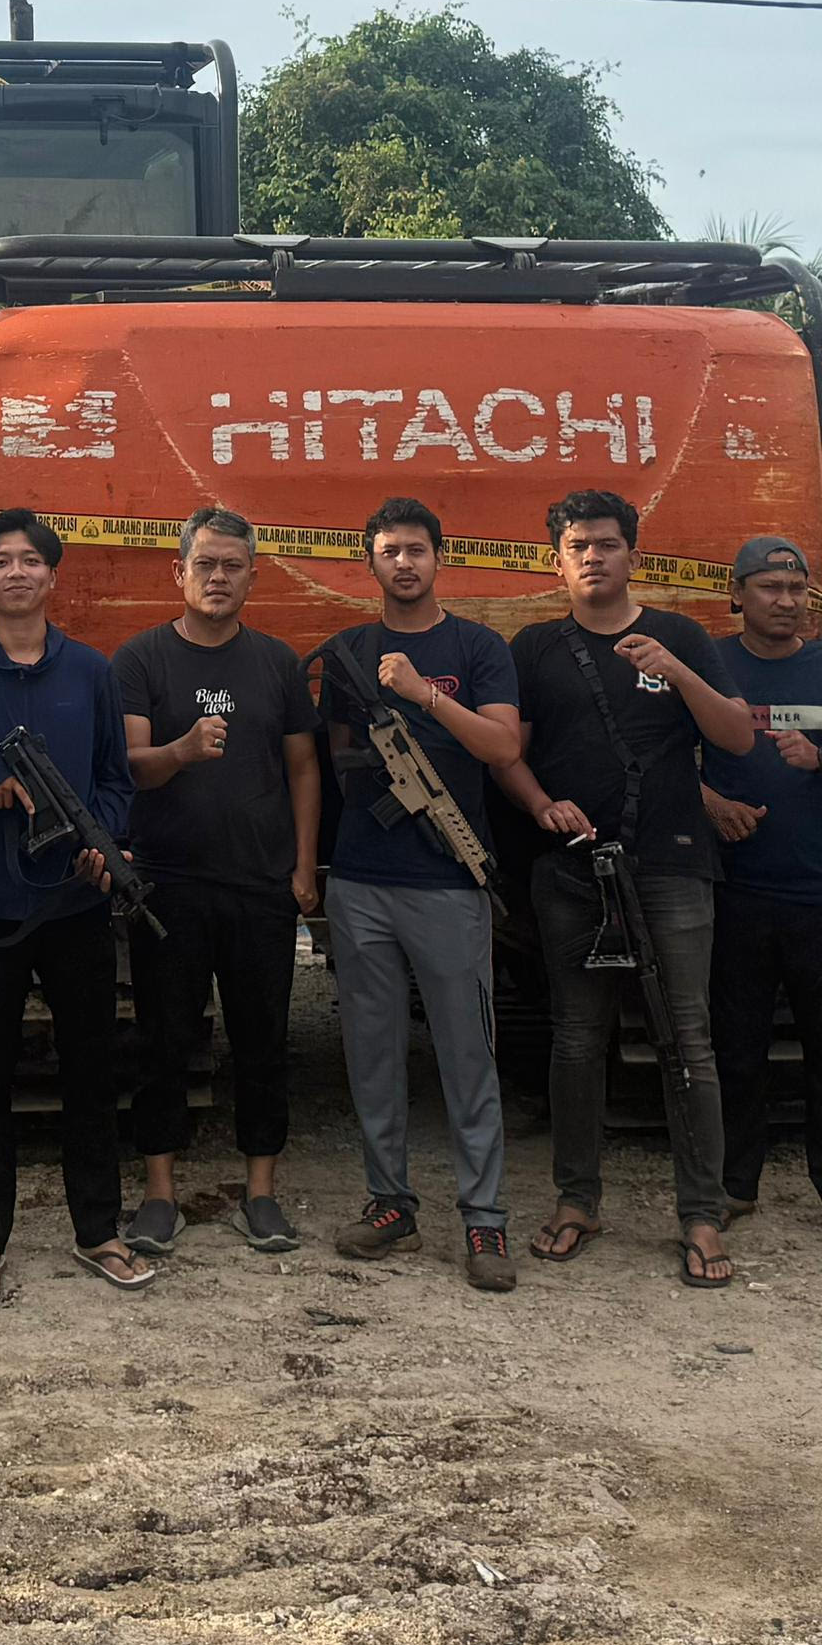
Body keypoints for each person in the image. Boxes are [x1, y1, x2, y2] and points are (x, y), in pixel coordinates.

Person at [494, 488, 753, 1286]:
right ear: (557, 559)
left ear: (632, 554)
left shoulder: (680, 638)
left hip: (671, 864)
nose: (593, 557)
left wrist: (675, 670)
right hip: (572, 871)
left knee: (688, 1037)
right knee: (576, 1040)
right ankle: (577, 1201)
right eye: (577, 545)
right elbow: (508, 751)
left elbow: (738, 736)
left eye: (607, 543)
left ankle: (703, 1214)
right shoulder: (534, 647)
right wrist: (540, 804)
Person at [0, 506, 156, 1300]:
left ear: (53, 576)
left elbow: (117, 781)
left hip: (75, 906)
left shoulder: (90, 671)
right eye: (1, 561)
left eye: (30, 561)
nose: (16, 573)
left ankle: (99, 1232)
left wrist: (100, 839)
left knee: (89, 1070)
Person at [312, 496, 528, 1289]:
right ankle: (389, 1203)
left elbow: (504, 744)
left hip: (446, 882)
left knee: (467, 1053)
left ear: (442, 557)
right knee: (371, 1053)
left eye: (417, 549)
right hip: (363, 882)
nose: (404, 562)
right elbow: (334, 763)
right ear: (369, 562)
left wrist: (422, 694)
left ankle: (485, 1222)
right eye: (390, 550)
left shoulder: (476, 647)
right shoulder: (346, 652)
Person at [114, 507, 319, 1259]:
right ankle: (159, 1194)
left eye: (234, 566)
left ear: (253, 577)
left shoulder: (276, 662)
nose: (219, 577)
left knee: (263, 1041)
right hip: (166, 882)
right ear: (180, 572)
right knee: (164, 1041)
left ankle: (260, 1193)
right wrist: (182, 750)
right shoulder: (140, 660)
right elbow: (130, 764)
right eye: (206, 564)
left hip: (259, 883)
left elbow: (303, 767)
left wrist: (302, 866)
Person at [695, 533, 822, 1249]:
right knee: (735, 1048)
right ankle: (736, 1184)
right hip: (733, 890)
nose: (787, 602)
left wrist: (821, 758)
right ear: (736, 595)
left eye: (798, 590)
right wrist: (710, 804)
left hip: (821, 889)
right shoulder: (709, 664)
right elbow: (669, 756)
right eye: (770, 588)